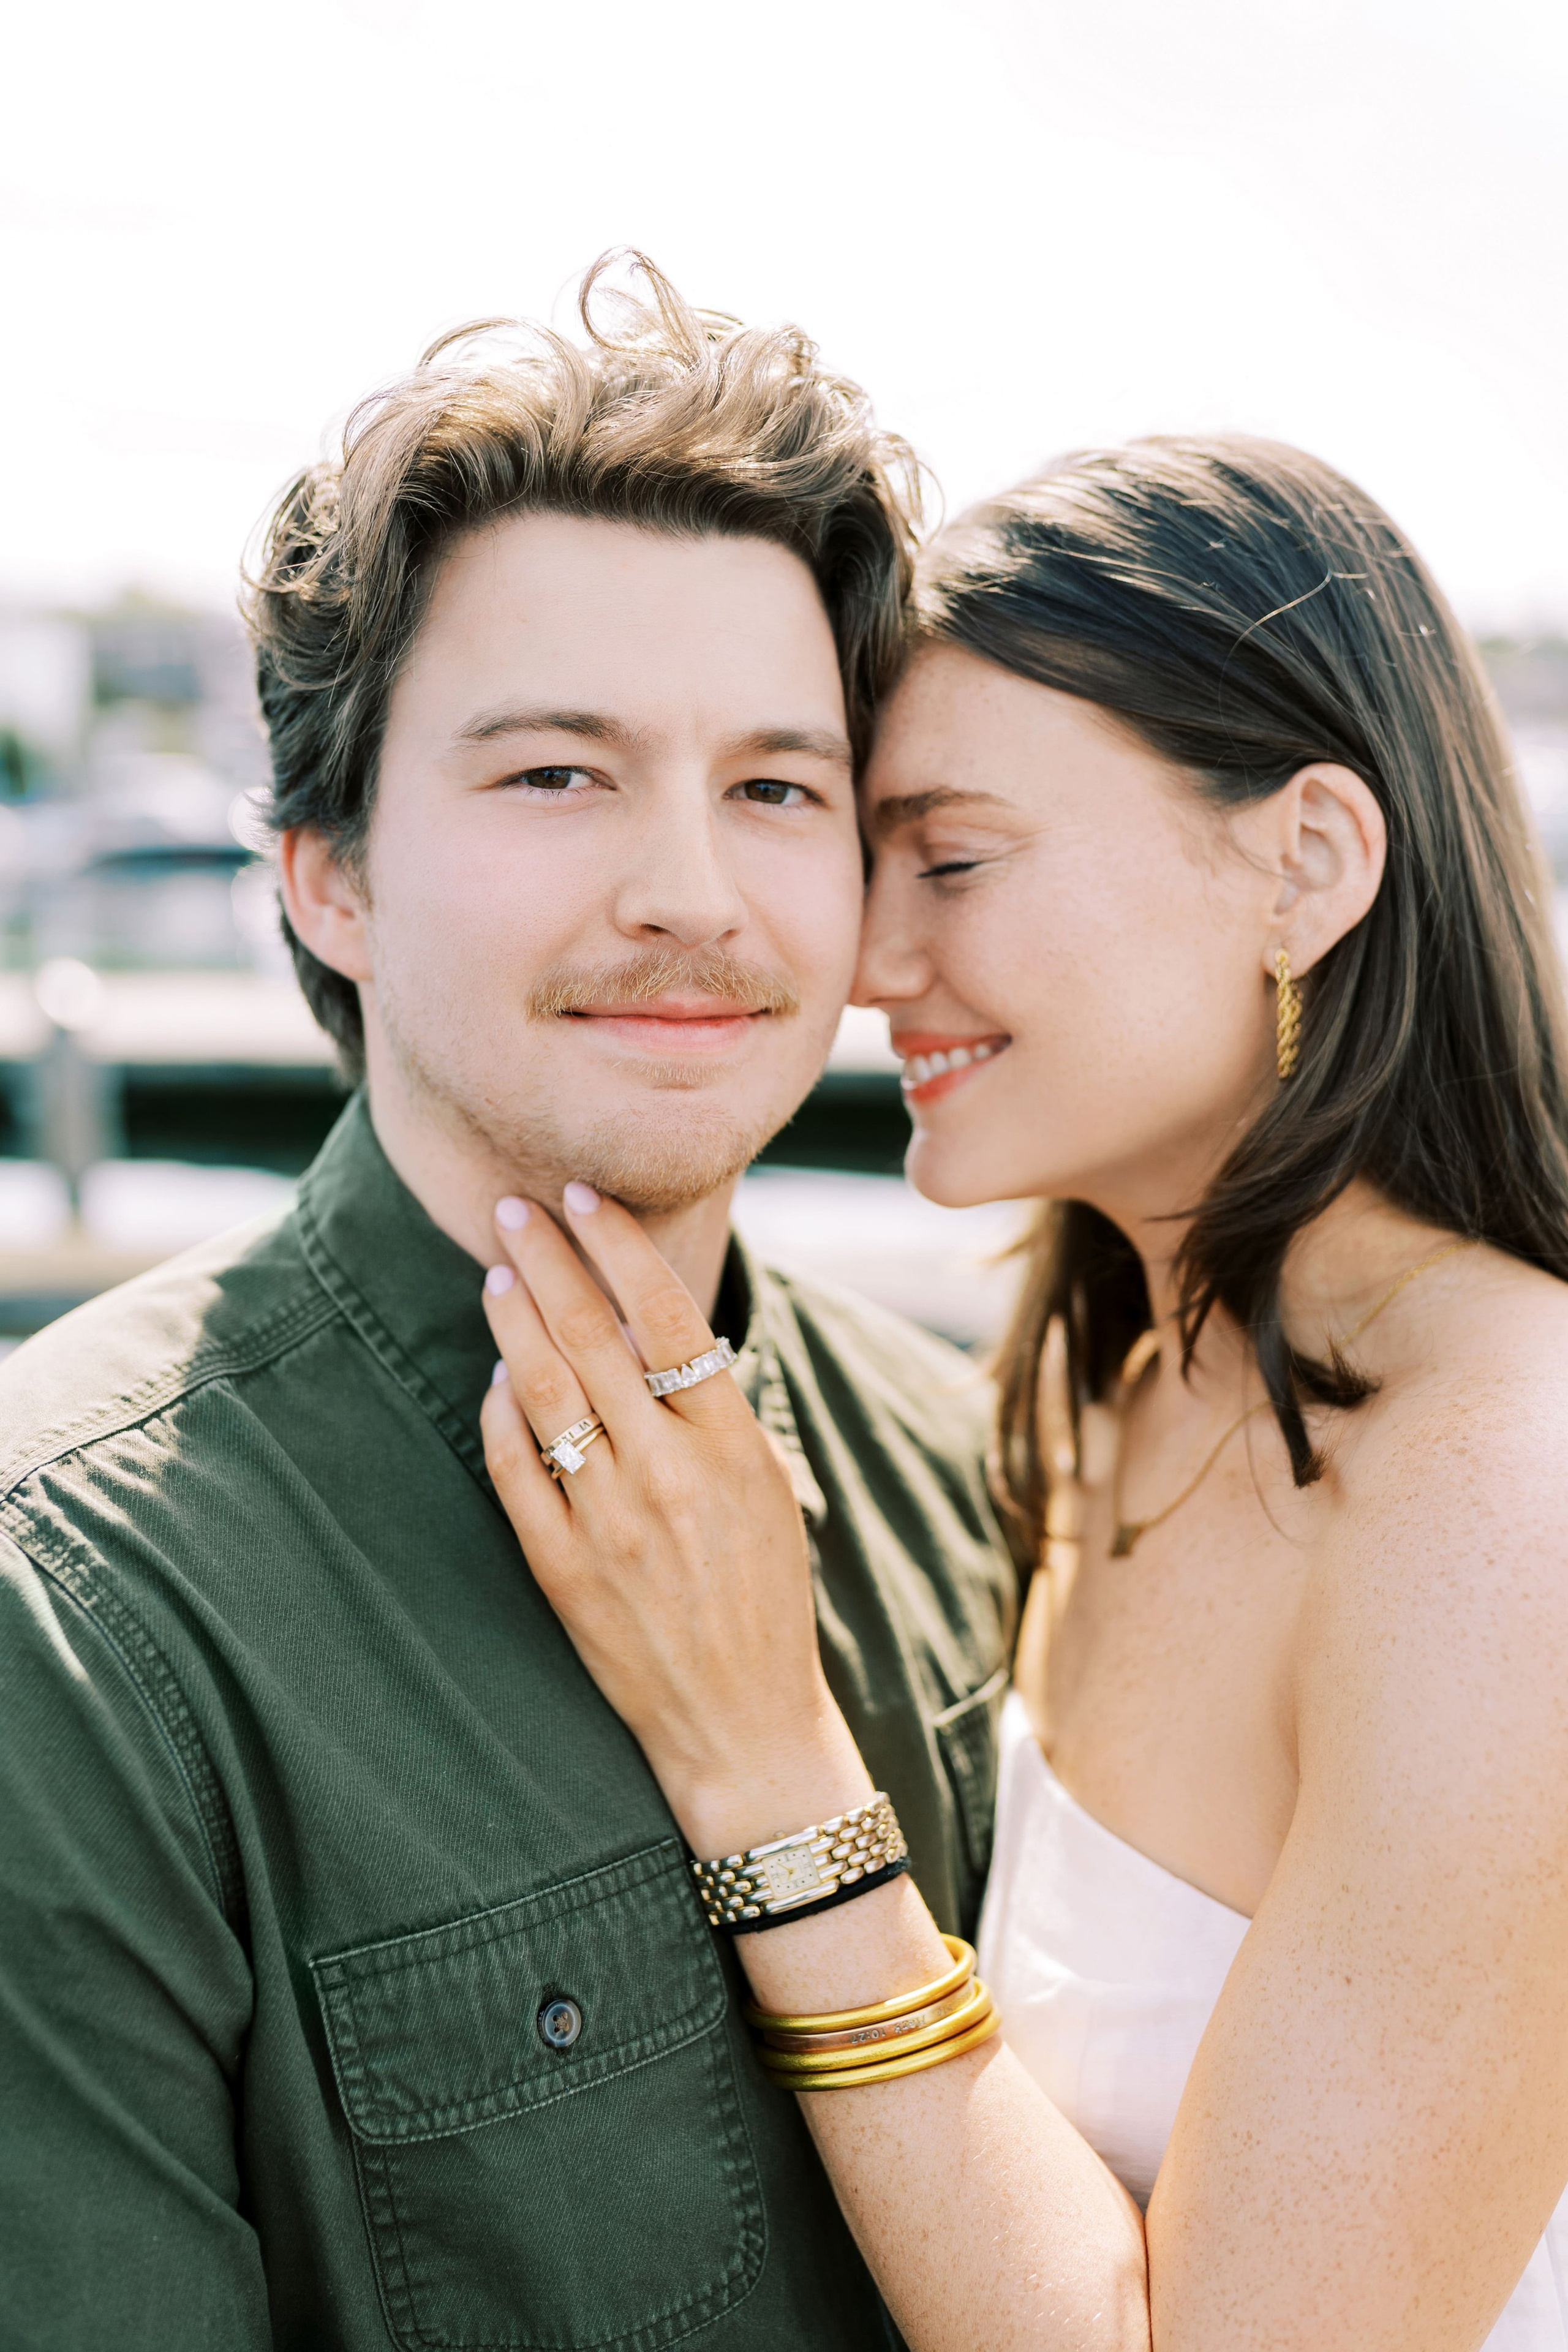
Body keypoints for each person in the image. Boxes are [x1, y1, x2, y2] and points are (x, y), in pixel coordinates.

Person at [0, 258, 1020, 2350]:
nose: (690, 892)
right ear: (329, 874)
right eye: (556, 776)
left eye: (775, 789)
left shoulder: (972, 1474)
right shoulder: (73, 1619)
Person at [478, 435, 1568, 2350]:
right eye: (870, 855)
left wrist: (766, 1758)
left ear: (1305, 860)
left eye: (958, 859)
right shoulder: (1111, 1386)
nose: (875, 962)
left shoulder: (1504, 1494)